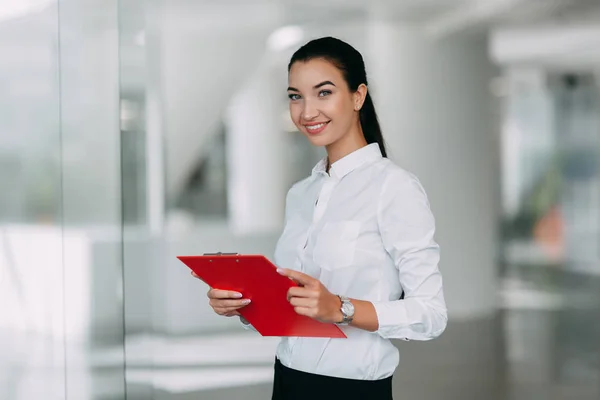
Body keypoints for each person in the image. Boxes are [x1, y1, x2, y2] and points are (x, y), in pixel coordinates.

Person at [193, 36, 447, 400]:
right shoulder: (301, 194)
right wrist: (244, 306)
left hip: (353, 391)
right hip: (288, 380)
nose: (306, 111)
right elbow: (293, 308)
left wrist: (341, 309)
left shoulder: (394, 188)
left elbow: (430, 314)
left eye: (323, 92)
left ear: (358, 96)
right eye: (296, 96)